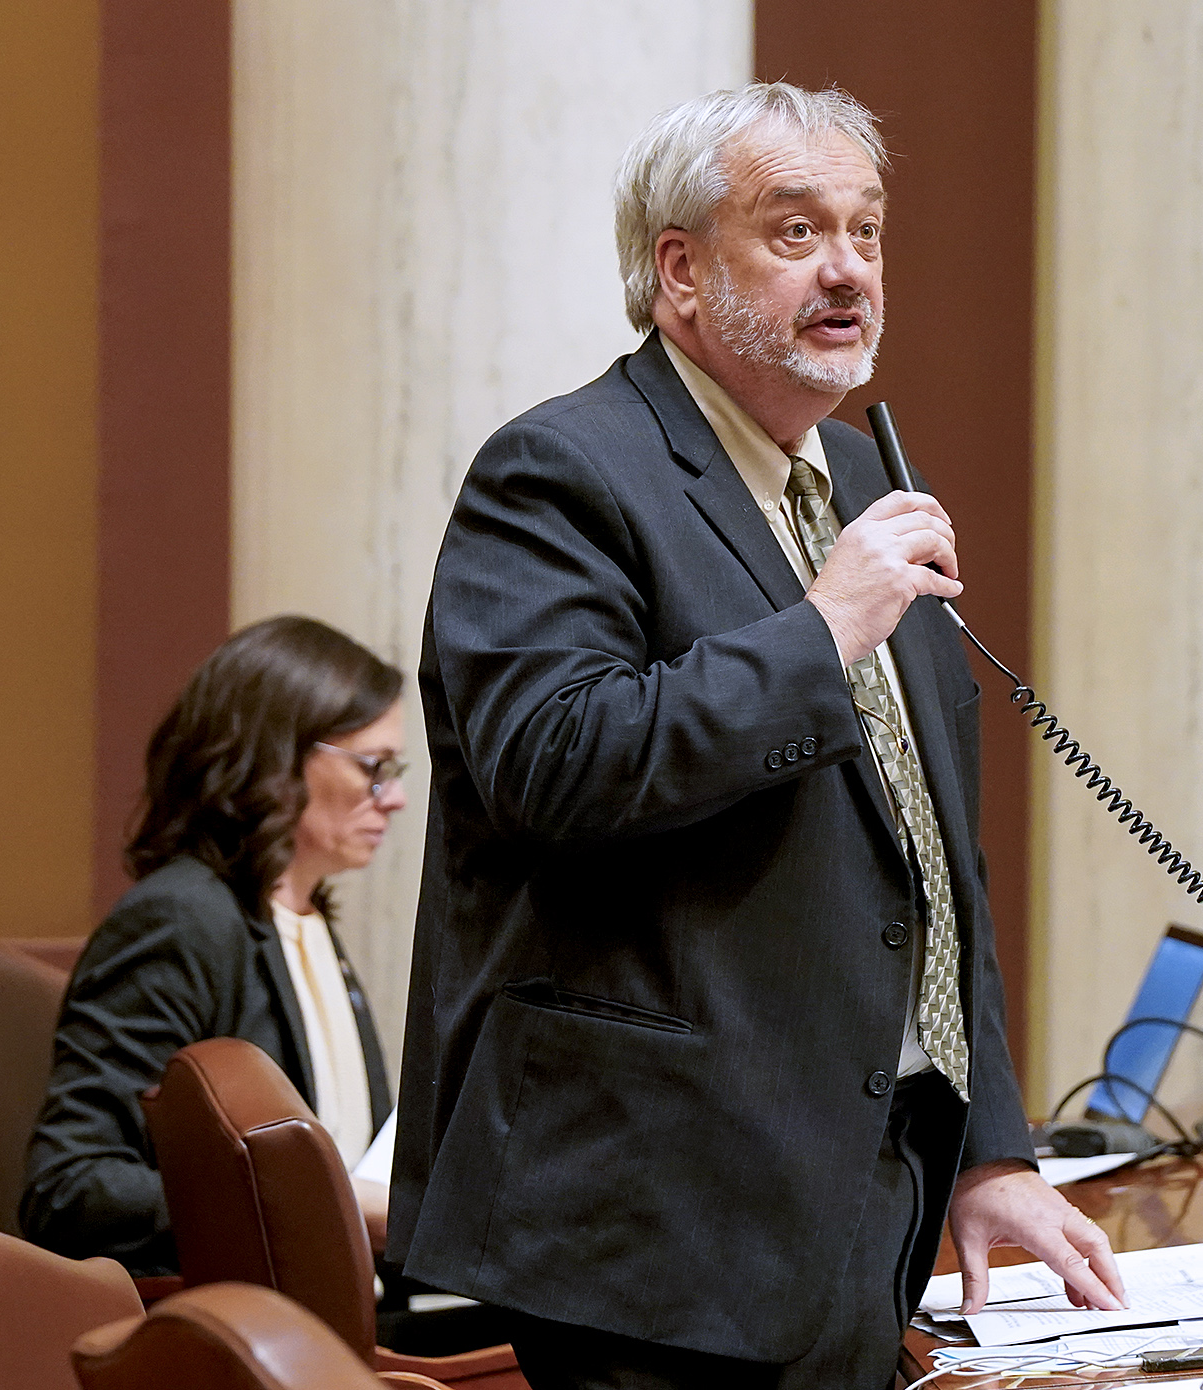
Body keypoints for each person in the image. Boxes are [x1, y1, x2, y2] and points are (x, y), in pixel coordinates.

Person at [387, 83, 1125, 1388]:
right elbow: (552, 765)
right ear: (679, 271)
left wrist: (992, 1147)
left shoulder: (855, 482)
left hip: (859, 1189)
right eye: (796, 232)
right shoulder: (559, 472)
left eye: (867, 230)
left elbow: (931, 855)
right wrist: (822, 626)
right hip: (653, 1217)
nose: (848, 269)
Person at [21, 615, 406, 1274]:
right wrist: (324, 1204)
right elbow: (68, 1191)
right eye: (374, 767)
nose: (395, 798)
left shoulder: (310, 926)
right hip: (233, 1339)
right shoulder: (181, 920)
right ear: (276, 756)